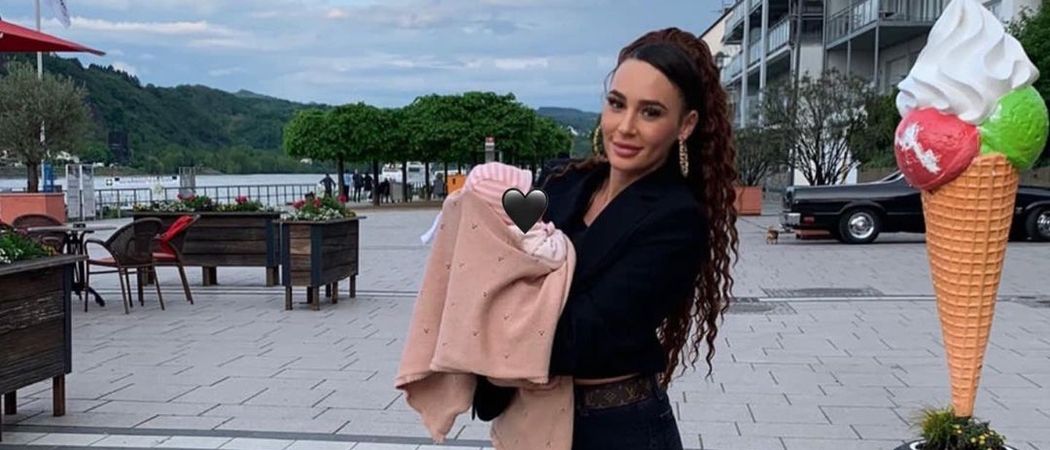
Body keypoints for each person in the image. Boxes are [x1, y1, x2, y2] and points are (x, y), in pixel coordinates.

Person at [525, 28, 738, 449]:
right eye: (617, 104)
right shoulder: (560, 182)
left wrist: (484, 321)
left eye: (650, 112)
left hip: (620, 428)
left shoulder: (677, 220)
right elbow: (492, 261)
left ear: (685, 125)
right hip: (536, 420)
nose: (625, 127)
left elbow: (576, 338)